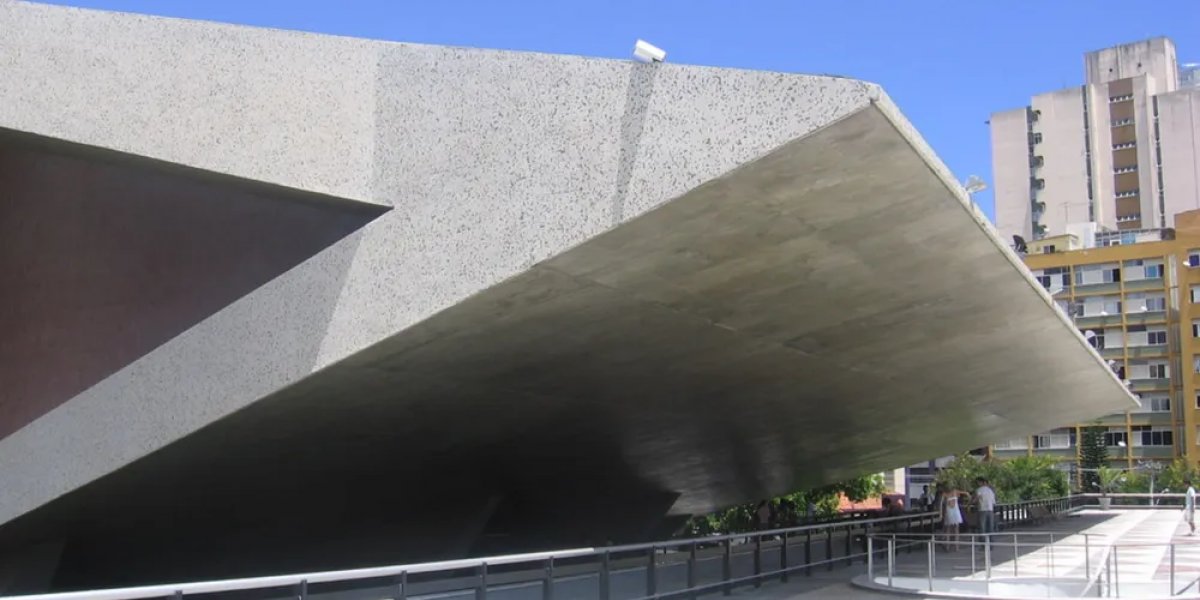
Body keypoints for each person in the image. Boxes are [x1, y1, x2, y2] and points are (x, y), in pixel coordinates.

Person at [941, 485, 963, 551]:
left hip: (949, 512)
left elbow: (941, 504)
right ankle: (957, 547)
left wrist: (941, 513)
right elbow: (965, 493)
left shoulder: (944, 494)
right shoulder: (955, 492)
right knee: (956, 530)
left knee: (948, 530)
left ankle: (947, 546)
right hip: (956, 512)